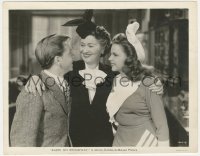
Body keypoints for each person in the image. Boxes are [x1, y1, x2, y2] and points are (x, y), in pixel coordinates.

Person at [24, 10, 163, 147]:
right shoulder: (69, 70)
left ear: (103, 49)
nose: (84, 50)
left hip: (105, 142)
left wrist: (156, 84)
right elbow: (49, 76)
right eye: (82, 45)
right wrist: (35, 78)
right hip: (73, 143)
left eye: (90, 45)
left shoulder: (113, 74)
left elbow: (139, 78)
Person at [106, 23, 169, 147]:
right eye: (110, 54)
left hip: (144, 143)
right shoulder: (116, 80)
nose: (109, 58)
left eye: (115, 55)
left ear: (129, 58)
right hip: (119, 141)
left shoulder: (148, 83)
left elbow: (162, 127)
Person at [10, 34, 73, 147]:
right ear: (58, 59)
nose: (73, 56)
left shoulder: (66, 83)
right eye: (70, 53)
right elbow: (22, 142)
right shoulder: (33, 91)